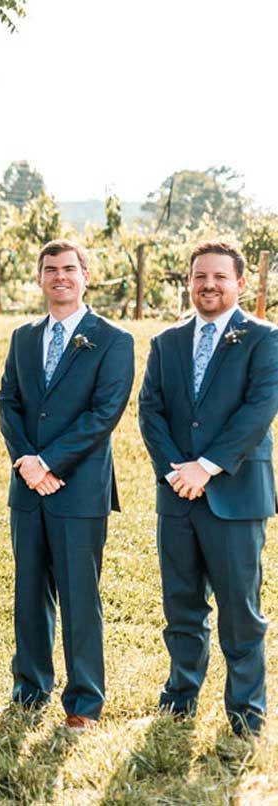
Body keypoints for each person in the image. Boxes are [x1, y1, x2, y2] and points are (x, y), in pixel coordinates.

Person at [139, 240, 278, 737]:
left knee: (240, 611)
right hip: (177, 495)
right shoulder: (167, 342)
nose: (209, 285)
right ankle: (180, 698)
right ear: (190, 282)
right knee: (181, 606)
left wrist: (208, 466)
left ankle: (246, 712)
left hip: (235, 496)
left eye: (220, 277)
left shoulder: (264, 338)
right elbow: (150, 410)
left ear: (240, 282)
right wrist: (178, 470)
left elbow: (258, 410)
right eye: (200, 277)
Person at [0, 239, 133, 731]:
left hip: (79, 488)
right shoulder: (24, 337)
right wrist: (27, 463)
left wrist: (51, 462)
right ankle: (29, 690)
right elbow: (7, 402)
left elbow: (104, 414)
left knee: (79, 596)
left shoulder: (114, 339)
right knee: (29, 593)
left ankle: (84, 702)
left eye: (69, 269)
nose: (60, 277)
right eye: (50, 269)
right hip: (27, 488)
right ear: (40, 277)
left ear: (85, 275)